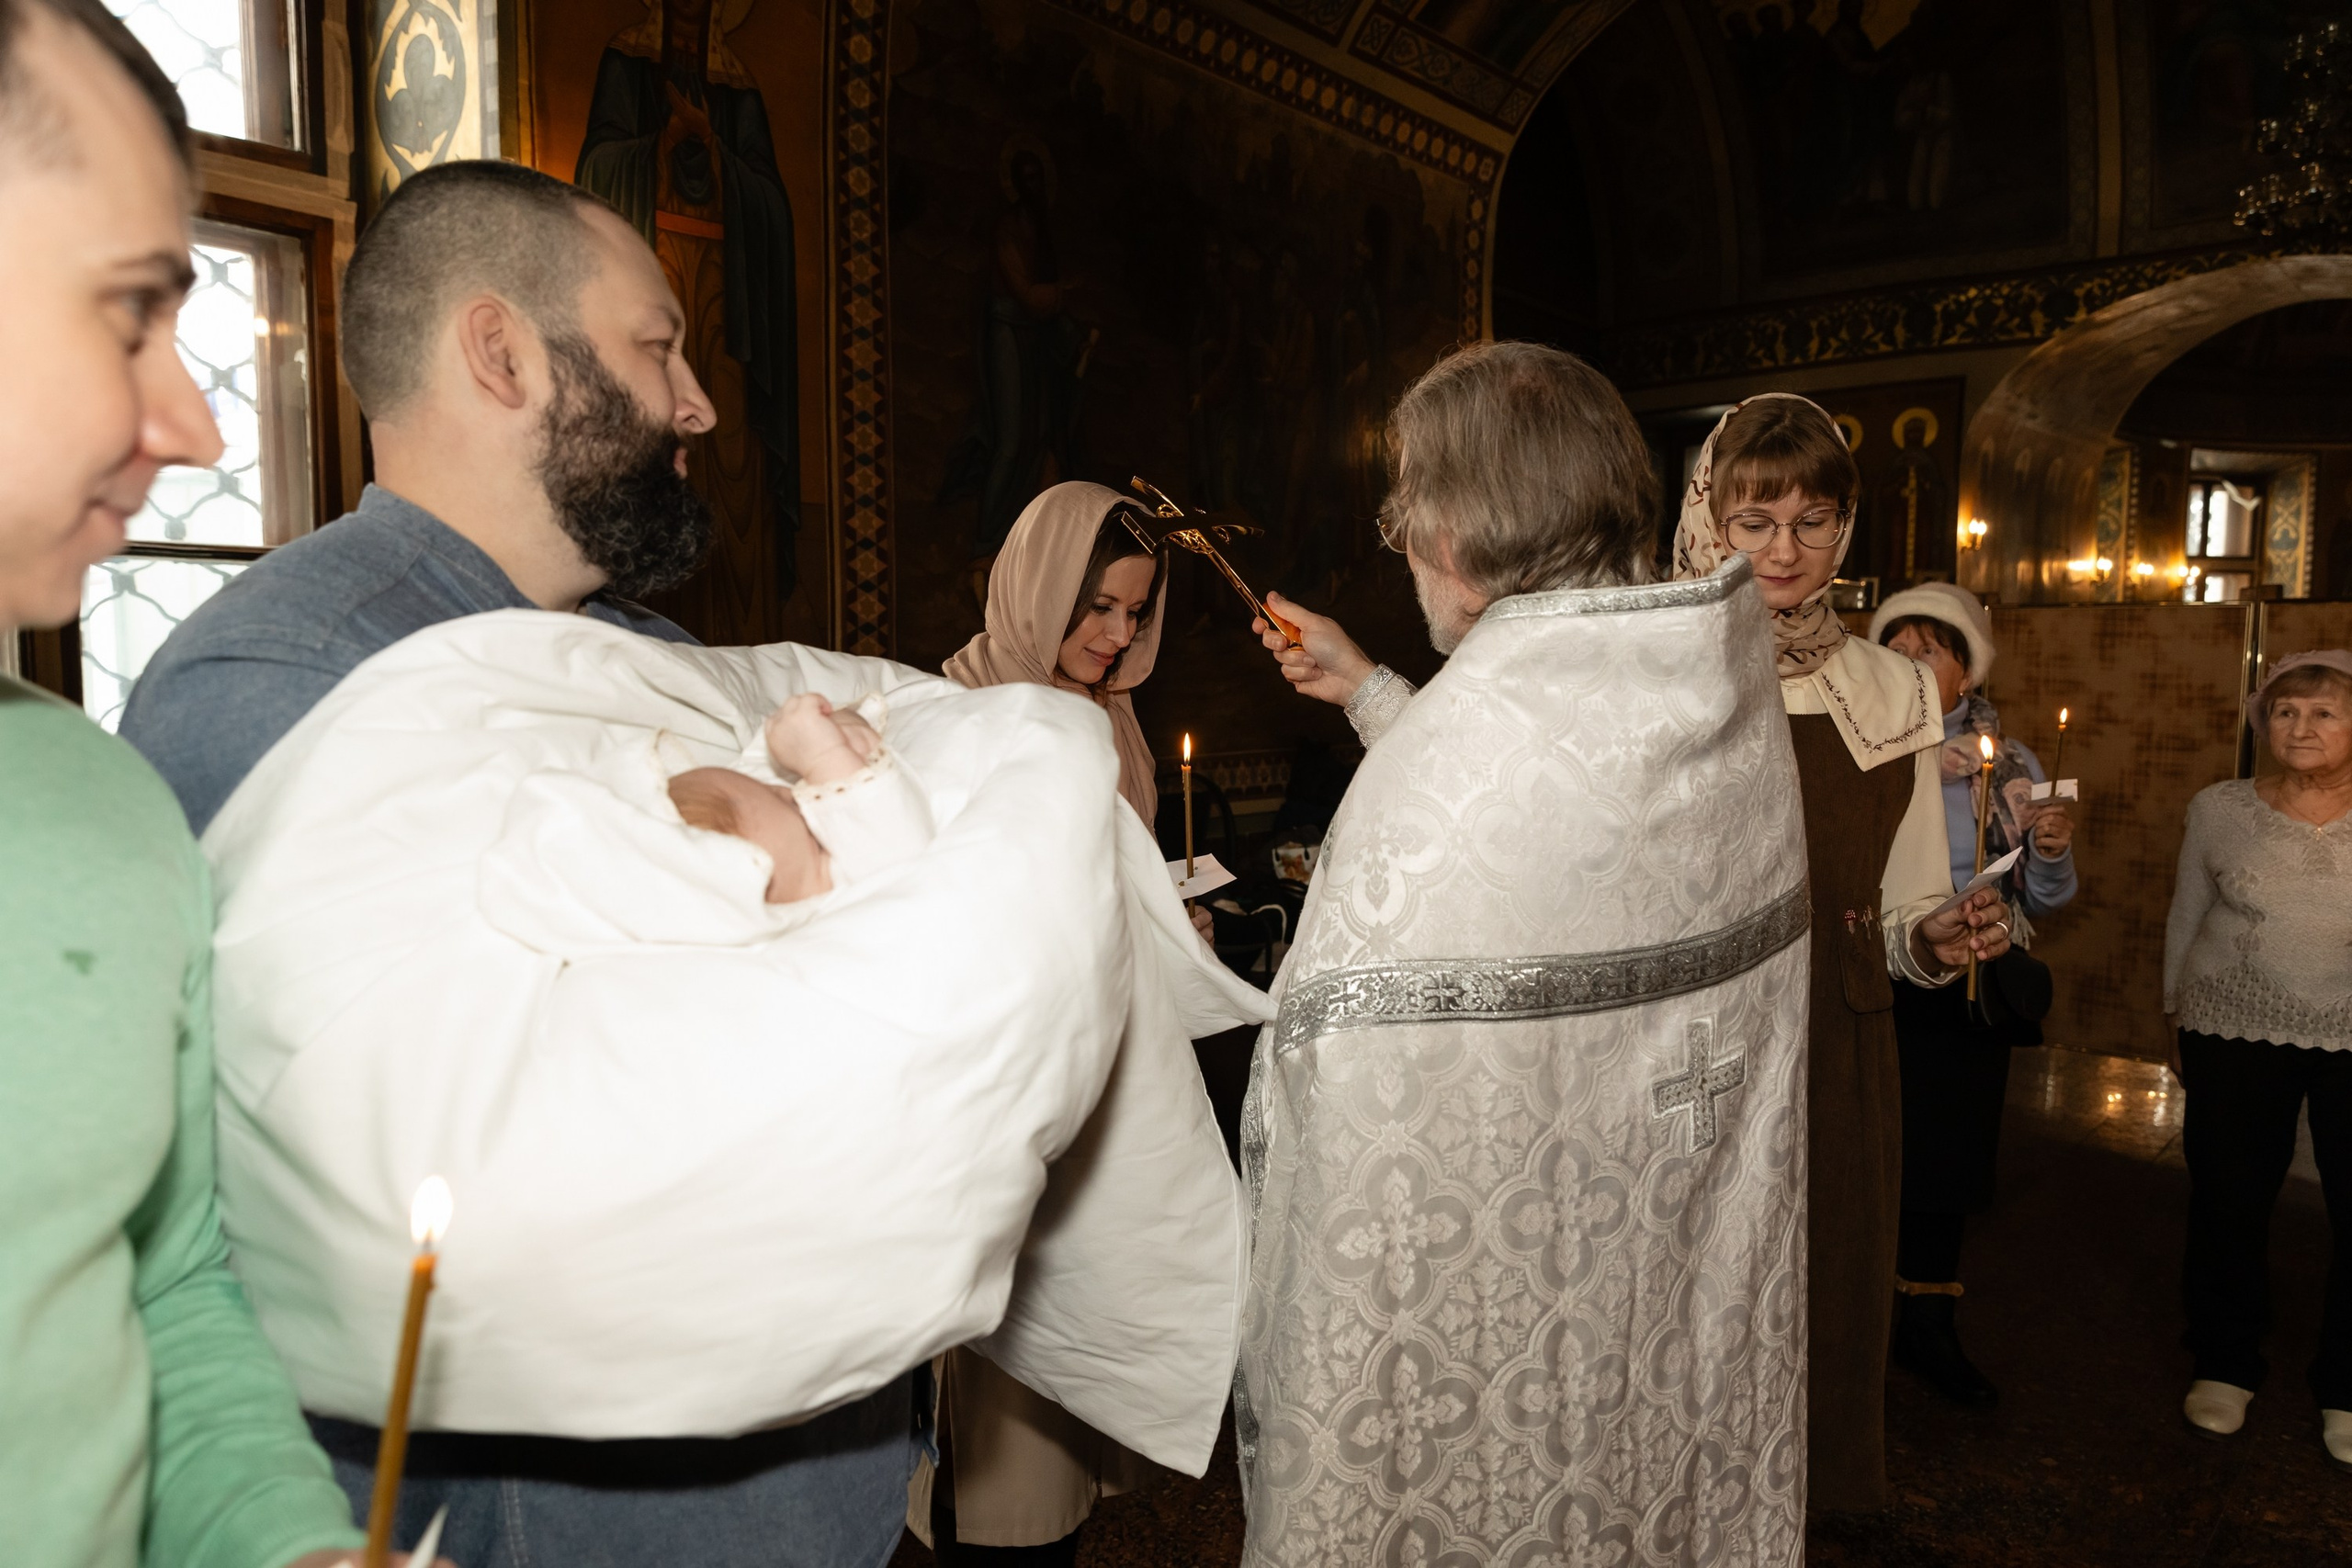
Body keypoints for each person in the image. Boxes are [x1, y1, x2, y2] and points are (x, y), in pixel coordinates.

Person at [119, 159, 919, 1564]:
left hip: (802, 1486)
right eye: (657, 344)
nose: (700, 403)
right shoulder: (282, 673)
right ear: (503, 352)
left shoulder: (664, 658)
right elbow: (392, 1177)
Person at [1241, 342, 1815, 1562]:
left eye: (1407, 514)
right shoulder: (1706, 677)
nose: (1402, 544)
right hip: (1665, 1273)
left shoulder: (1461, 756)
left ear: (1450, 528)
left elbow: (1328, 1063)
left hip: (1500, 1342)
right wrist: (1374, 692)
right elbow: (1561, 827)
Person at [0, 3, 424, 1563]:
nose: (188, 425)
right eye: (127, 314)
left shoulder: (103, 815)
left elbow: (160, 1288)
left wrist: (285, 1543)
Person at [1670, 394, 2009, 1513]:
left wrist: (1935, 932)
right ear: (1706, 516)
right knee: (1681, 1284)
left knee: (1820, 1275)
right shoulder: (1650, 671)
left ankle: (1801, 1497)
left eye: (1813, 521)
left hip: (1832, 1032)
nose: (1783, 549)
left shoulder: (1894, 687)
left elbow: (1910, 893)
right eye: (1754, 518)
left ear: (1845, 531)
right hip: (1680, 1037)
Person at [927, 479, 1183, 1564]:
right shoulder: (960, 713)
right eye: (1098, 610)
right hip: (997, 1107)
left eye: (1136, 612)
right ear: (1039, 587)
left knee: (1067, 1394)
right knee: (1004, 1435)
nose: (1118, 637)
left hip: (1093, 1094)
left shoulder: (1110, 716)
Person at [1869, 581, 2078, 1410]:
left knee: (1943, 1162)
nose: (1913, 661)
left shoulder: (2011, 760)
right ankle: (1850, 1315)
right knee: (1863, 1147)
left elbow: (2049, 895)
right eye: (1897, 645)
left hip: (1967, 979)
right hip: (1870, 969)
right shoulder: (1852, 746)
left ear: (1968, 671)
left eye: (1934, 647)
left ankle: (1927, 1323)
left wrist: (2050, 850)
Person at [2165, 649, 2352, 1468]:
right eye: (2285, 711)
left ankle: (2347, 1383)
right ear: (2262, 722)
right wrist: (2171, 1013)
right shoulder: (2219, 807)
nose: (2300, 727)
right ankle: (2226, 1362)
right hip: (2232, 1023)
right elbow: (2185, 912)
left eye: (2324, 712)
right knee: (2229, 1198)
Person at [668, 693, 932, 905]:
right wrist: (826, 756)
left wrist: (839, 726)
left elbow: (766, 761)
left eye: (770, 789)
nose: (799, 796)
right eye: (817, 845)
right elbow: (897, 852)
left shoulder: (756, 794)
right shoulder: (847, 899)